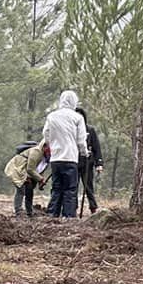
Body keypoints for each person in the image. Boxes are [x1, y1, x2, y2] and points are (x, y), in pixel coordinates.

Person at [40, 89, 89, 219]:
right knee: (70, 189)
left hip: (56, 158)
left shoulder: (52, 116)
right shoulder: (77, 118)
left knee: (56, 188)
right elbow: (81, 139)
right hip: (71, 158)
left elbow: (46, 133)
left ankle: (52, 214)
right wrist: (84, 152)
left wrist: (52, 145)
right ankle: (68, 216)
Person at [4, 140, 47, 218]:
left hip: (30, 172)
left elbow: (40, 168)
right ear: (44, 146)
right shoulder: (36, 152)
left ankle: (29, 212)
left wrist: (40, 180)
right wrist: (40, 179)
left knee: (29, 191)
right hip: (19, 169)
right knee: (21, 190)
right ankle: (19, 211)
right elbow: (30, 169)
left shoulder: (47, 156)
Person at [77, 108, 104, 215]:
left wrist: (99, 163)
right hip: (74, 162)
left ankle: (93, 207)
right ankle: (73, 208)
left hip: (88, 163)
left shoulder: (90, 130)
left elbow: (96, 147)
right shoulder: (72, 130)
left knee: (88, 186)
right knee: (73, 186)